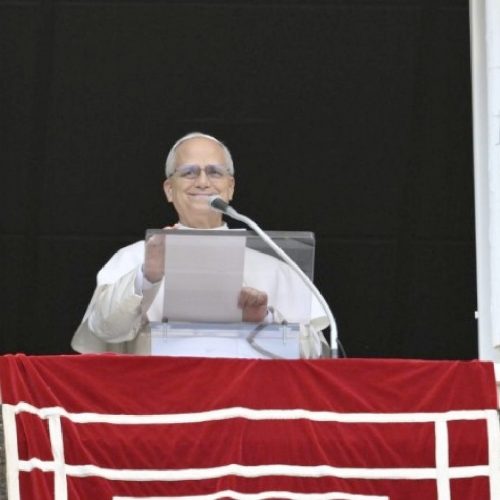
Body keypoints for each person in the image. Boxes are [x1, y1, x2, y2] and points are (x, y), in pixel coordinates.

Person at [71, 133, 330, 357]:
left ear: (230, 188)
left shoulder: (276, 268)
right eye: (189, 173)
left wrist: (265, 320)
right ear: (169, 189)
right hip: (161, 394)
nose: (203, 182)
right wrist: (147, 276)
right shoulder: (134, 258)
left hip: (248, 395)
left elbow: (314, 353)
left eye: (215, 172)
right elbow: (103, 329)